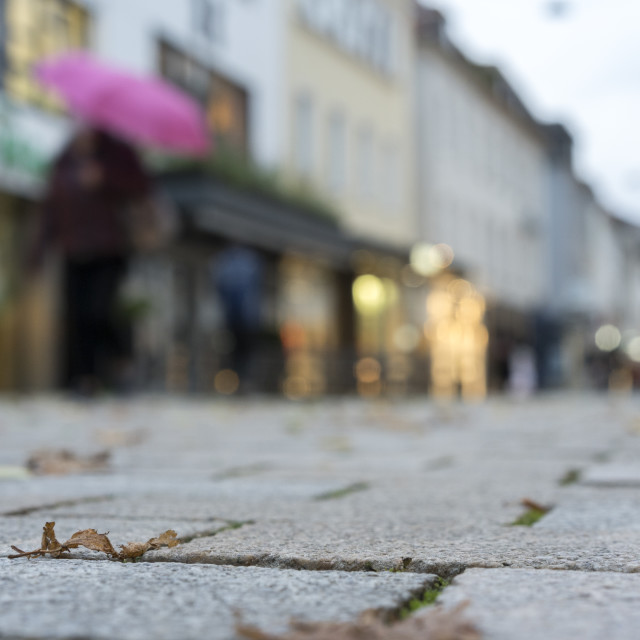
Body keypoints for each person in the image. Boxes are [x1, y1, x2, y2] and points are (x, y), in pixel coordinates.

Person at [30, 127, 151, 394]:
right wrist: (38, 252)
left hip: (109, 248)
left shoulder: (117, 152)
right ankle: (85, 379)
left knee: (100, 311)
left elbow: (142, 185)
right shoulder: (64, 159)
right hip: (73, 250)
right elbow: (51, 209)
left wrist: (105, 178)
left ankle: (121, 359)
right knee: (77, 317)